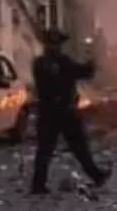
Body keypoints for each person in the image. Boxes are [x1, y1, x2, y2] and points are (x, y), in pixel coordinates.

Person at [30, 28, 110, 194]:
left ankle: (39, 184)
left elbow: (80, 72)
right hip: (62, 112)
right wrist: (93, 61)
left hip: (50, 113)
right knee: (74, 147)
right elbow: (84, 72)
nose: (57, 47)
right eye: (56, 44)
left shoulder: (40, 63)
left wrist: (90, 63)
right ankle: (95, 175)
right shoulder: (59, 62)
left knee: (48, 149)